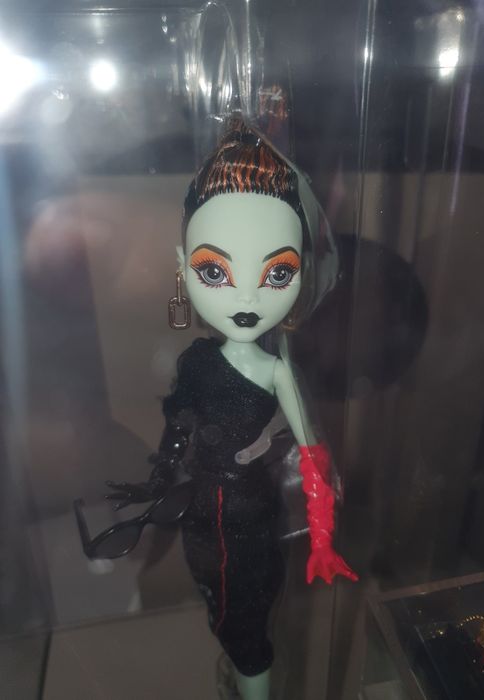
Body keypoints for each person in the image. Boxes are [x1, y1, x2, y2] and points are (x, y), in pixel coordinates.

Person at [103, 117, 358, 700]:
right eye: (214, 272)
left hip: (250, 519)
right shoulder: (196, 362)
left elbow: (313, 458)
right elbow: (177, 427)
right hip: (199, 517)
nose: (247, 297)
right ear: (182, 264)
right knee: (219, 612)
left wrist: (321, 537)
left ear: (303, 270)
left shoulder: (275, 372)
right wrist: (156, 480)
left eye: (278, 273)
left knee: (247, 624)